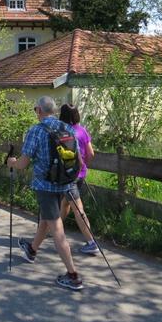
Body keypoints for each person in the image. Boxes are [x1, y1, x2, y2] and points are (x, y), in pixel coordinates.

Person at [7, 96, 83, 291]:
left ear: (39, 110)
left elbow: (23, 164)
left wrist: (12, 162)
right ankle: (32, 250)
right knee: (46, 220)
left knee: (57, 228)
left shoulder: (36, 130)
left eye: (35, 110)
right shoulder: (68, 128)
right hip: (66, 182)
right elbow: (79, 161)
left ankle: (73, 276)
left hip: (45, 186)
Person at [59, 103, 98, 255]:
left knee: (77, 208)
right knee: (65, 204)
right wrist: (83, 166)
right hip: (81, 174)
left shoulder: (63, 132)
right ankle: (54, 229)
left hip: (68, 176)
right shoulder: (82, 130)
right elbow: (91, 153)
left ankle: (91, 242)